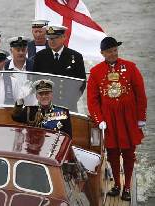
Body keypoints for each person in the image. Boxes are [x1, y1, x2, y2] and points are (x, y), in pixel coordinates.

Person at [87, 37, 147, 201]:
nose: (113, 54)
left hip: (128, 118)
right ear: (102, 53)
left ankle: (127, 186)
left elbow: (140, 94)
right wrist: (99, 119)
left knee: (128, 153)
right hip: (109, 119)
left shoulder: (131, 68)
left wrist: (140, 118)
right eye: (109, 51)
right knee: (112, 153)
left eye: (115, 50)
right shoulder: (95, 72)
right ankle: (117, 185)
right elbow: (92, 100)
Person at [33, 25, 86, 92]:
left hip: (68, 99)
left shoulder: (76, 56)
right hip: (46, 99)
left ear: (64, 37)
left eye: (55, 38)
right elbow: (35, 79)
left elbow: (82, 82)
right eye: (49, 38)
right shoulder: (40, 56)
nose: (52, 41)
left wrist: (73, 98)